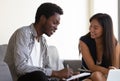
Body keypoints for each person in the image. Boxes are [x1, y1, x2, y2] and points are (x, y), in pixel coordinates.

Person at [5, 2, 73, 81]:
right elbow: (21, 68)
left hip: (40, 78)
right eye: (54, 23)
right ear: (43, 19)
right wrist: (56, 73)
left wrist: (62, 77)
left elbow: (46, 70)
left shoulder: (43, 41)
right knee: (39, 75)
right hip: (23, 79)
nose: (56, 28)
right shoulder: (23, 33)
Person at [78, 13, 120, 81]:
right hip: (88, 75)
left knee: (97, 75)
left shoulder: (114, 44)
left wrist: (111, 72)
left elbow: (115, 70)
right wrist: (108, 71)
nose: (91, 30)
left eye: (95, 28)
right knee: (94, 76)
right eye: (90, 26)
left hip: (107, 77)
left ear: (105, 29)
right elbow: (92, 67)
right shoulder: (84, 41)